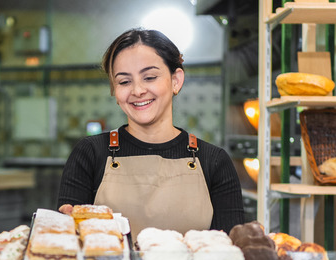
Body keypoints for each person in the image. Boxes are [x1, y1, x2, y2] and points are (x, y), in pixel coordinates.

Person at [57, 28, 244, 236]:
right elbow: (70, 257)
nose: (137, 90)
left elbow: (228, 254)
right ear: (114, 90)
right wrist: (65, 231)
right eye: (124, 81)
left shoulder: (213, 161)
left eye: (149, 77)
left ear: (176, 81)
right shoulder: (90, 153)